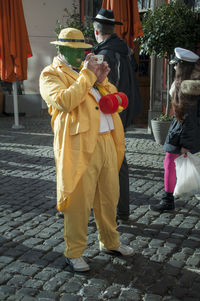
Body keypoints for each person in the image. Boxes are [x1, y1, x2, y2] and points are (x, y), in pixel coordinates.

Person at [39, 28, 134, 272]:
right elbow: (65, 101)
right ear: (60, 49)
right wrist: (88, 76)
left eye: (82, 50)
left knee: (109, 197)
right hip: (79, 145)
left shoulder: (87, 73)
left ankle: (110, 242)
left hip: (106, 141)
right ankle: (74, 252)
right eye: (75, 50)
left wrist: (102, 81)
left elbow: (114, 102)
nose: (81, 55)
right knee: (78, 203)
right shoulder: (50, 74)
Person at [92, 8, 142, 222]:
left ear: (96, 32)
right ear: (112, 30)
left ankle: (104, 210)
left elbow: (99, 87)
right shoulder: (124, 49)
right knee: (118, 160)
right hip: (121, 110)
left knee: (104, 162)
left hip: (107, 112)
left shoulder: (105, 53)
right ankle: (122, 210)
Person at [150, 47, 200, 212]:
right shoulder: (188, 84)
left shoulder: (188, 87)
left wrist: (186, 144)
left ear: (183, 66)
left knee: (169, 164)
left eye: (176, 64)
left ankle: (167, 200)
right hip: (180, 131)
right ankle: (168, 199)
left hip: (181, 133)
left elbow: (190, 118)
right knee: (170, 164)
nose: (173, 67)